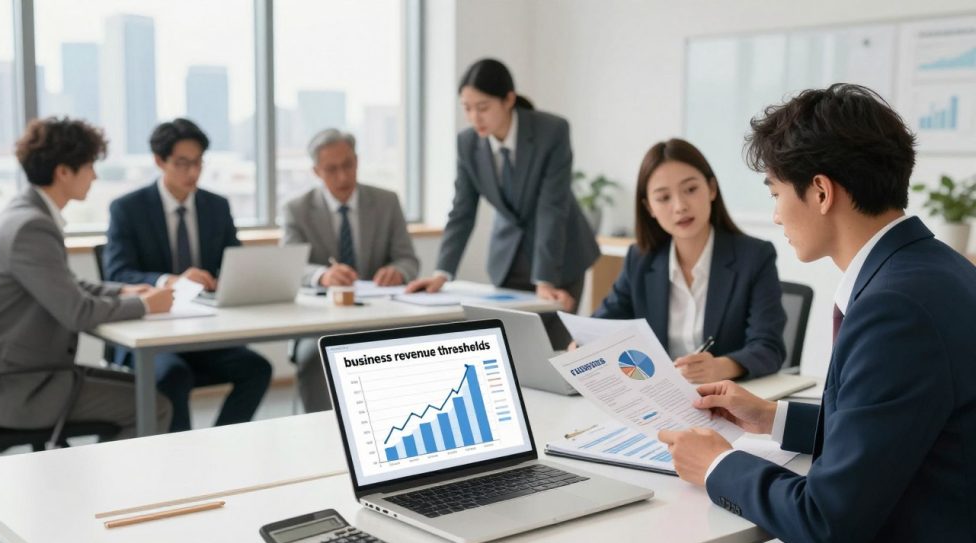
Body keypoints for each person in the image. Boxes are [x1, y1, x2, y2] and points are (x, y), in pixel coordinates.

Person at [659, 84, 976, 543]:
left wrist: (718, 465)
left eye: (775, 192)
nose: (777, 214)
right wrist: (772, 417)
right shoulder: (938, 270)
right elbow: (895, 424)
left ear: (822, 192)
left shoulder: (895, 310)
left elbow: (826, 520)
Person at [0, 117, 173, 439]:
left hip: (19, 377)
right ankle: (123, 489)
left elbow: (66, 286)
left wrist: (122, 291)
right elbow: (77, 312)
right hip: (21, 389)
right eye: (90, 165)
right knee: (154, 404)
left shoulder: (24, 213)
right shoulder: (31, 227)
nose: (94, 175)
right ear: (63, 171)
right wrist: (145, 306)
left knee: (149, 388)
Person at [104, 118, 271, 432]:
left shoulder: (216, 207)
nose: (193, 172)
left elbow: (234, 262)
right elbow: (117, 273)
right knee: (174, 375)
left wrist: (228, 280)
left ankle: (220, 448)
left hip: (202, 332)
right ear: (159, 161)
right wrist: (170, 280)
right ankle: (185, 464)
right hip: (148, 337)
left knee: (257, 368)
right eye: (182, 163)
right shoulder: (127, 209)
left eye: (198, 163)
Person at [406, 58, 599, 316]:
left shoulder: (551, 131)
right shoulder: (467, 144)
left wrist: (544, 280)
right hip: (508, 259)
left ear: (508, 100)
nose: (474, 118)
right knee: (511, 342)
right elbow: (462, 211)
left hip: (559, 258)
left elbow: (551, 208)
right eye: (467, 108)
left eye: (483, 107)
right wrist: (442, 274)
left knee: (556, 347)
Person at [593, 138, 785, 383]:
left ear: (711, 189)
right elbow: (603, 323)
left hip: (725, 400)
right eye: (663, 198)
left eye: (691, 190)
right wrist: (583, 344)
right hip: (658, 398)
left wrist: (721, 367)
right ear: (649, 207)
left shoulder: (755, 256)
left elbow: (769, 347)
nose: (680, 206)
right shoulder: (640, 259)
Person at [282, 128, 420, 412]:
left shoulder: (386, 201)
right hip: (318, 322)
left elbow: (408, 260)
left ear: (357, 161)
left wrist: (397, 271)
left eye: (348, 165)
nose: (343, 177)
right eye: (331, 169)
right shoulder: (296, 209)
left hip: (381, 316)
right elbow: (291, 268)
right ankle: (321, 436)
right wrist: (323, 275)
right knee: (313, 359)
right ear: (316, 171)